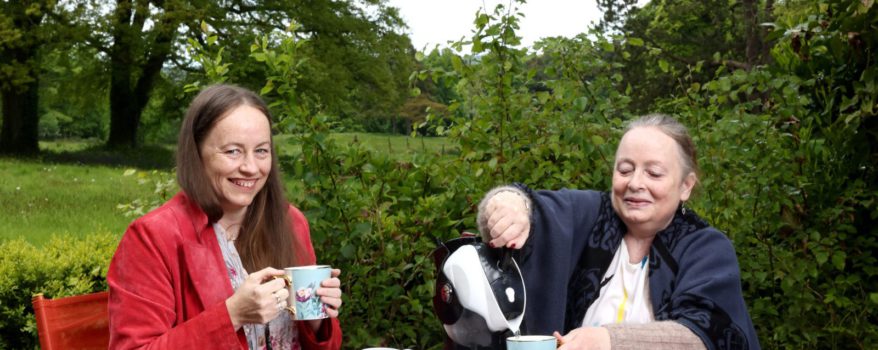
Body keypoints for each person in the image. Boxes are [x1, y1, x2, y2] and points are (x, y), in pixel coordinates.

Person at [477, 114, 760, 349]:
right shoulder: (590, 214)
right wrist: (507, 206)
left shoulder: (706, 248)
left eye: (654, 173)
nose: (635, 183)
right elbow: (528, 204)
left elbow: (702, 337)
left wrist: (607, 340)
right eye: (625, 170)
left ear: (686, 186)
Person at [108, 84, 343, 349]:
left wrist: (316, 317)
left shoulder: (290, 221)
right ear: (196, 153)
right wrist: (233, 314)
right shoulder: (152, 238)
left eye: (261, 151)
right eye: (233, 151)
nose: (250, 167)